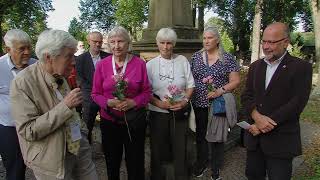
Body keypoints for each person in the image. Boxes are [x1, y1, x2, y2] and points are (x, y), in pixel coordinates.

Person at [10, 29, 98, 180]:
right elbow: (28, 130)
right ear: (49, 57)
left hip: (79, 148)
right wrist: (65, 106)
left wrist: (82, 133)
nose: (74, 61)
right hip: (51, 161)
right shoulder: (23, 83)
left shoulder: (59, 74)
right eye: (69, 56)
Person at [241, 22, 312, 180]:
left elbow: (297, 103)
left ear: (285, 42)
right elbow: (246, 96)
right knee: (253, 175)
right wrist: (257, 118)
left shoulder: (301, 68)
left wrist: (265, 124)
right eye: (264, 41)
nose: (266, 46)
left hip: (281, 141)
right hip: (255, 140)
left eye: (271, 42)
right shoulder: (255, 67)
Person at [91, 26, 151, 180]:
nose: (116, 46)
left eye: (120, 41)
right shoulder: (102, 65)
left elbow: (146, 92)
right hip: (109, 121)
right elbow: (95, 94)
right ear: (109, 44)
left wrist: (134, 102)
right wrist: (108, 102)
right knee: (112, 162)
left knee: (135, 162)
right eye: (112, 42)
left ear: (128, 43)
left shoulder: (139, 64)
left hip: (134, 122)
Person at [190, 26, 240, 179]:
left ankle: (216, 167)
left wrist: (219, 90)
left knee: (217, 137)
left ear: (217, 40)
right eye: (204, 38)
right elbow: (189, 78)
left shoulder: (227, 58)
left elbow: (235, 81)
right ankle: (202, 163)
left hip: (218, 105)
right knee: (200, 135)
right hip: (199, 103)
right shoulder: (196, 57)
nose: (206, 41)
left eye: (210, 38)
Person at [146, 28, 195, 180]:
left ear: (173, 44)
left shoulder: (182, 61)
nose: (165, 47)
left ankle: (181, 177)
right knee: (158, 150)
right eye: (162, 43)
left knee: (181, 149)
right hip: (157, 112)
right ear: (157, 43)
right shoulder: (150, 65)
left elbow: (190, 85)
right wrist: (158, 103)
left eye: (169, 43)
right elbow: (145, 91)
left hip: (179, 113)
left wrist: (184, 101)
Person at [0, 29, 36, 180]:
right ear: (8, 49)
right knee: (15, 169)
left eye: (29, 47)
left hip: (35, 127)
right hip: (9, 128)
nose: (27, 52)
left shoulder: (36, 65)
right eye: (22, 48)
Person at [76, 32, 111, 144]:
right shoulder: (80, 59)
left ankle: (107, 147)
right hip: (89, 97)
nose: (97, 44)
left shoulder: (108, 57)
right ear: (88, 42)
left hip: (106, 96)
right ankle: (87, 148)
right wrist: (91, 94)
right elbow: (80, 80)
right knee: (87, 126)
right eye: (95, 41)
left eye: (100, 42)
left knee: (107, 125)